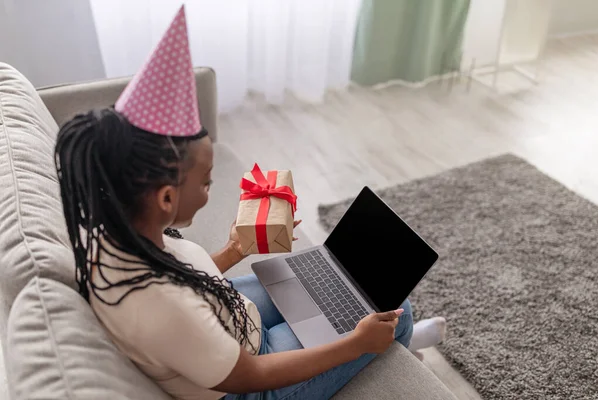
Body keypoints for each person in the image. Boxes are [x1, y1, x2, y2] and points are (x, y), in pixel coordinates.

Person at [54, 6, 446, 400]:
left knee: (323, 282)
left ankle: (388, 344)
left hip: (228, 320)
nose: (210, 192)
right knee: (397, 311)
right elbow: (249, 374)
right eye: (206, 183)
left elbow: (183, 275)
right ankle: (401, 345)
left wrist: (235, 250)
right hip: (248, 379)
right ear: (167, 196)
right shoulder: (161, 307)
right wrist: (355, 344)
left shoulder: (117, 230)